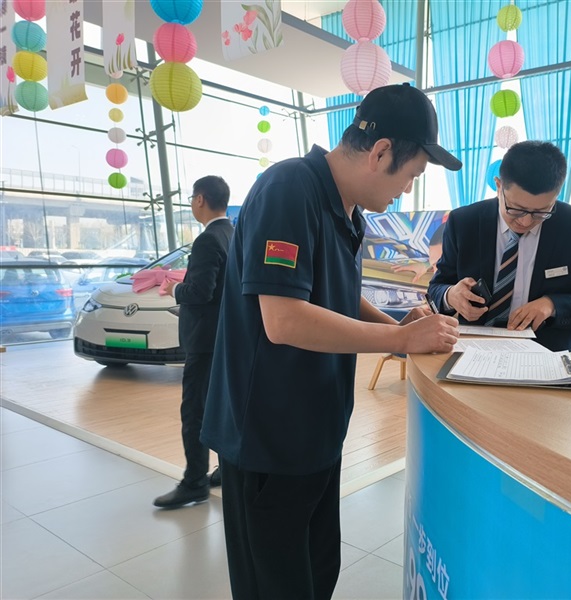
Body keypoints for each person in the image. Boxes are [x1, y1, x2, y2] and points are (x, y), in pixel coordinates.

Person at [200, 83, 461, 599]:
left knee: (317, 575)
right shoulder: (288, 189)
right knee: (274, 585)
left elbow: (335, 299)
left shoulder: (348, 212)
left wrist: (396, 330)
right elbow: (284, 319)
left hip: (315, 434)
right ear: (381, 152)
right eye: (410, 177)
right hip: (267, 439)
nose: (406, 191)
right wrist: (402, 341)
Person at [427, 140, 571, 352]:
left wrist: (552, 305)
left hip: (547, 355)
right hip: (473, 351)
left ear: (557, 195)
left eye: (541, 212)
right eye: (516, 209)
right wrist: (451, 295)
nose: (526, 222)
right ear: (498, 186)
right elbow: (436, 288)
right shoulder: (463, 222)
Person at [154, 175, 234, 509]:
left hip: (203, 342)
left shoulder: (206, 241)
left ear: (200, 199)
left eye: (191, 198)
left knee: (195, 411)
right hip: (226, 338)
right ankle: (227, 471)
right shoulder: (234, 234)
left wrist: (173, 288)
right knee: (224, 409)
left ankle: (195, 482)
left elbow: (200, 292)